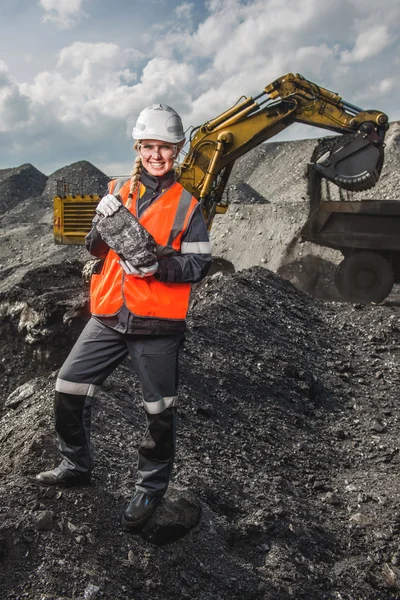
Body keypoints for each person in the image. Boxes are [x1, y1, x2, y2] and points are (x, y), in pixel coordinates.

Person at [36, 104, 212, 528]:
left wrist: (159, 267)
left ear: (178, 151)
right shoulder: (118, 189)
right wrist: (101, 222)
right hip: (110, 314)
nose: (157, 155)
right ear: (138, 147)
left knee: (159, 410)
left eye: (165, 148)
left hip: (157, 324)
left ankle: (150, 490)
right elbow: (95, 249)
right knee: (68, 386)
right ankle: (76, 466)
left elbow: (200, 264)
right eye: (149, 146)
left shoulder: (189, 206)